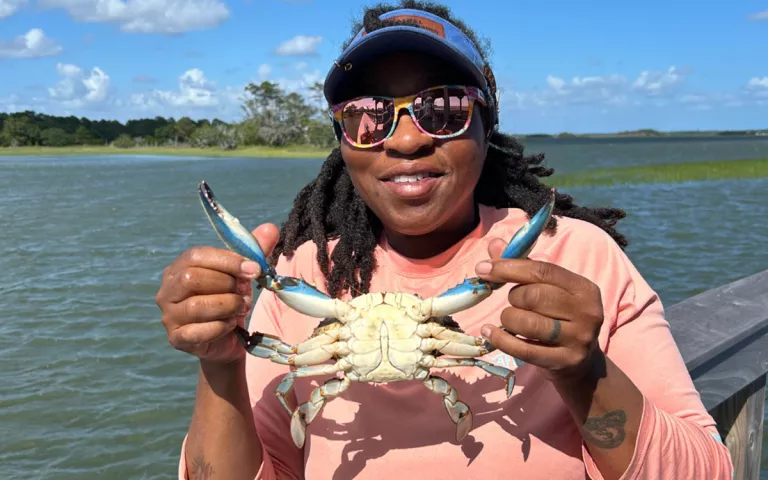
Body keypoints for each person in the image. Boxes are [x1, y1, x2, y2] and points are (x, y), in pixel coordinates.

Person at [155, 1, 734, 479]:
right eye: (367, 115)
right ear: (342, 140)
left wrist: (586, 374)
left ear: (488, 125)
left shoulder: (572, 257)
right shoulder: (299, 276)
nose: (405, 140)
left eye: (444, 108)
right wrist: (220, 364)